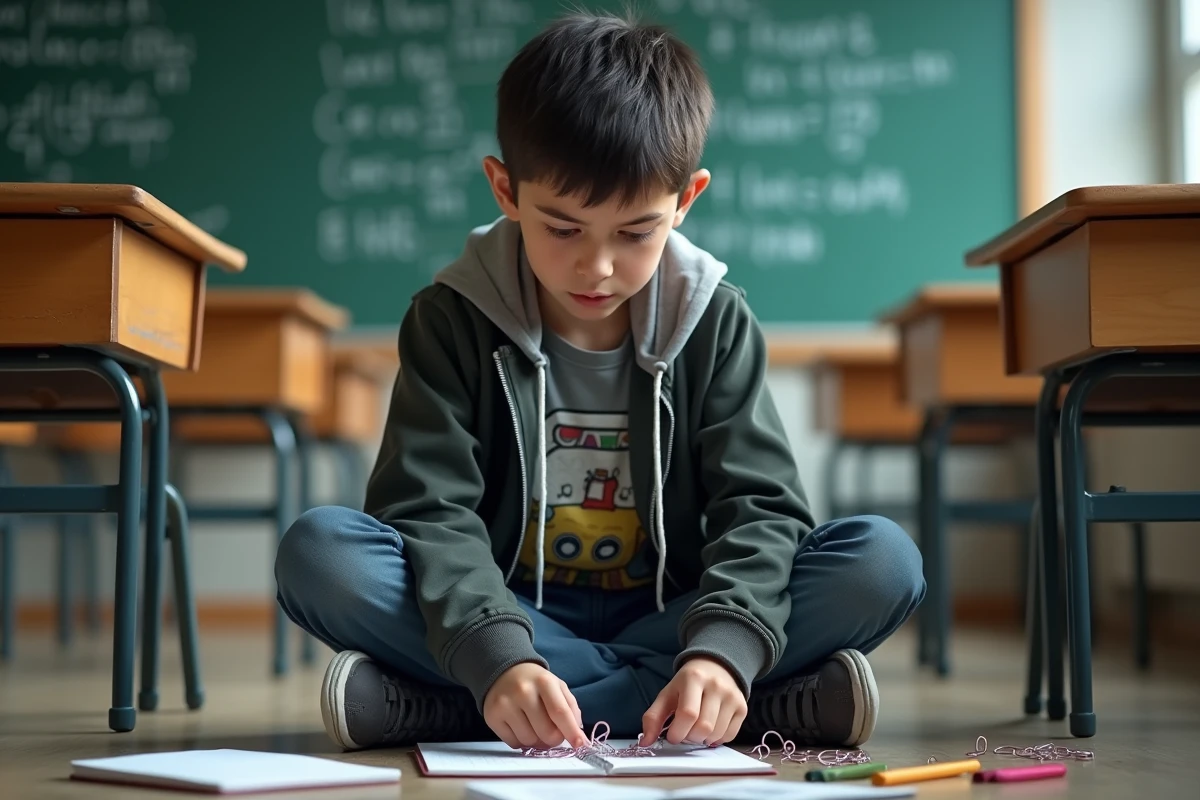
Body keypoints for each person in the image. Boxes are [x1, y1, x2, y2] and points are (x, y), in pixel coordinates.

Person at [275, 10, 925, 754]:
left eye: (636, 232)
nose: (598, 267)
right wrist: (499, 652)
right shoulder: (449, 319)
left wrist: (719, 648)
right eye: (562, 228)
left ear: (686, 200)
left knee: (882, 561)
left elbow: (763, 510)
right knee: (321, 554)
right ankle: (751, 706)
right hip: (504, 604)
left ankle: (464, 709)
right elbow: (427, 511)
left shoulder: (714, 319)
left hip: (676, 613)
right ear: (504, 188)